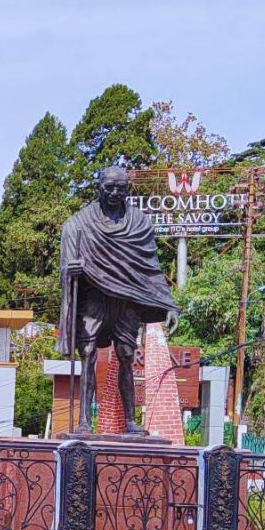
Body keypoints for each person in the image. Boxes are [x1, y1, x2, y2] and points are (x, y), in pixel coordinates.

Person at [57, 166, 180, 434]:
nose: (115, 193)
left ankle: (130, 421)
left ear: (128, 189)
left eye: (121, 188)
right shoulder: (78, 224)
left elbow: (150, 267)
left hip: (126, 301)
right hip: (94, 299)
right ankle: (84, 421)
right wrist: (71, 270)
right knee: (87, 354)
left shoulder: (139, 223)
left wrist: (169, 304)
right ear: (98, 188)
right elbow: (66, 265)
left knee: (126, 355)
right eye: (109, 187)